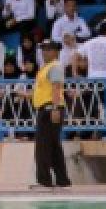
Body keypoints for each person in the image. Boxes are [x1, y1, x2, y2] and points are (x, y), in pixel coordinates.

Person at [30, 39, 71, 189]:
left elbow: (56, 88)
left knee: (43, 147)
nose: (44, 52)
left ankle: (44, 181)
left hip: (49, 109)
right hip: (47, 107)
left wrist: (54, 108)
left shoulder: (54, 67)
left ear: (56, 51)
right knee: (53, 147)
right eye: (43, 49)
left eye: (48, 49)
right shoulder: (46, 68)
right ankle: (62, 180)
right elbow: (45, 90)